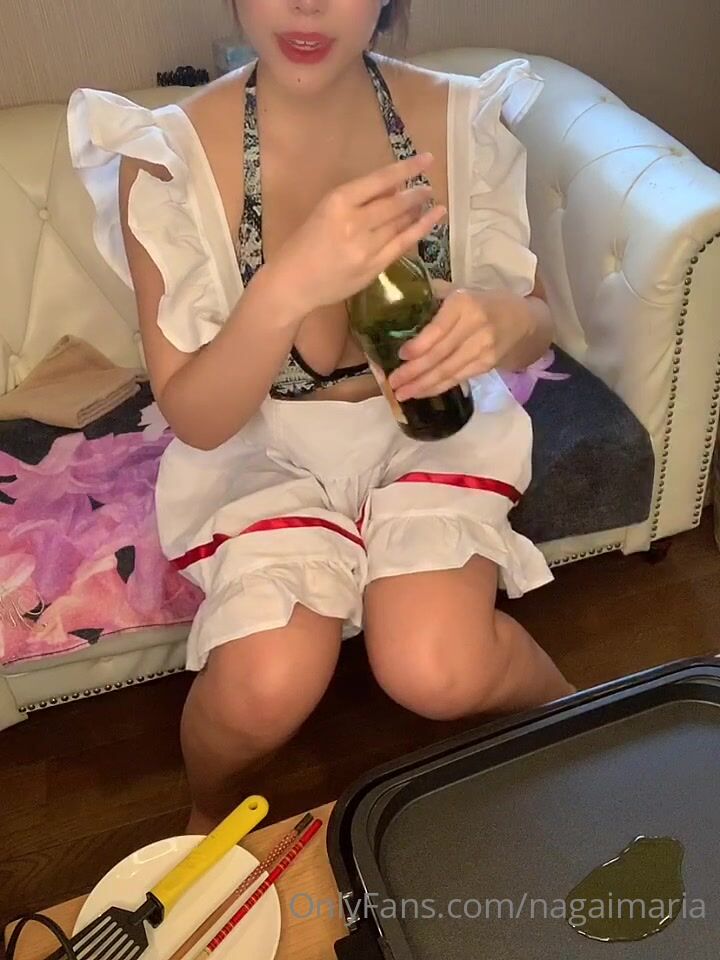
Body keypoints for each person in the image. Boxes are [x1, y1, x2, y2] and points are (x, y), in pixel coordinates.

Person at [67, 0, 574, 832]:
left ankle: (594, 732)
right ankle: (207, 818)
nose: (307, 4)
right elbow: (197, 418)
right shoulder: (167, 156)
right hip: (259, 445)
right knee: (265, 684)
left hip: (424, 433)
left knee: (436, 667)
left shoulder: (460, 117)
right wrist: (286, 284)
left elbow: (538, 322)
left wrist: (503, 321)